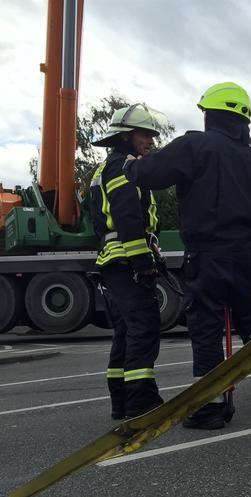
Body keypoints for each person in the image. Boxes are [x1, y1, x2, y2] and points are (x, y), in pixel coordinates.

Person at [124, 82, 251, 430]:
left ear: (211, 115)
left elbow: (153, 173)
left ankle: (209, 406)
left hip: (208, 255)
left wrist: (130, 166)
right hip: (244, 255)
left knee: (206, 328)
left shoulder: (196, 145)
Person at [88, 104, 164, 419]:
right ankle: (141, 401)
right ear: (126, 137)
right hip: (126, 260)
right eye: (145, 134)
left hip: (113, 262)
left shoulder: (105, 168)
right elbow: (128, 216)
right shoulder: (122, 168)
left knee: (125, 332)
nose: (151, 142)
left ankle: (120, 401)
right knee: (144, 326)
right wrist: (142, 261)